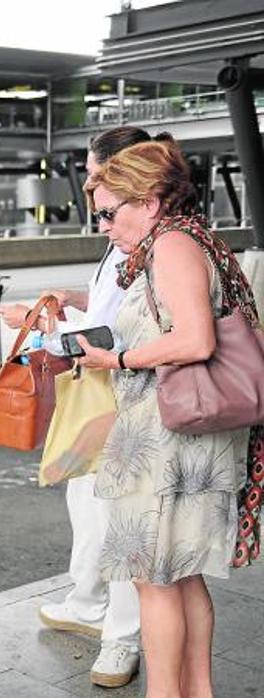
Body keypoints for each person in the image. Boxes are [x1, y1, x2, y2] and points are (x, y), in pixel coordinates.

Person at [77, 138, 259, 698]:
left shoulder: (172, 246)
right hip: (182, 438)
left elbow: (196, 339)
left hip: (169, 441)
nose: (103, 226)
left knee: (155, 581)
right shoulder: (185, 240)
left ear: (151, 202)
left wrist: (119, 359)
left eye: (110, 211)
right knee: (181, 576)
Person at [0, 126, 158, 688]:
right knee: (85, 500)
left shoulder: (152, 244)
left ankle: (121, 638)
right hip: (108, 393)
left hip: (125, 397)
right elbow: (113, 310)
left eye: (96, 181)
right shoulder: (124, 237)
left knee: (113, 516)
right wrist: (72, 301)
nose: (90, 197)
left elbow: (118, 334)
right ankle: (91, 606)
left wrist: (42, 324)